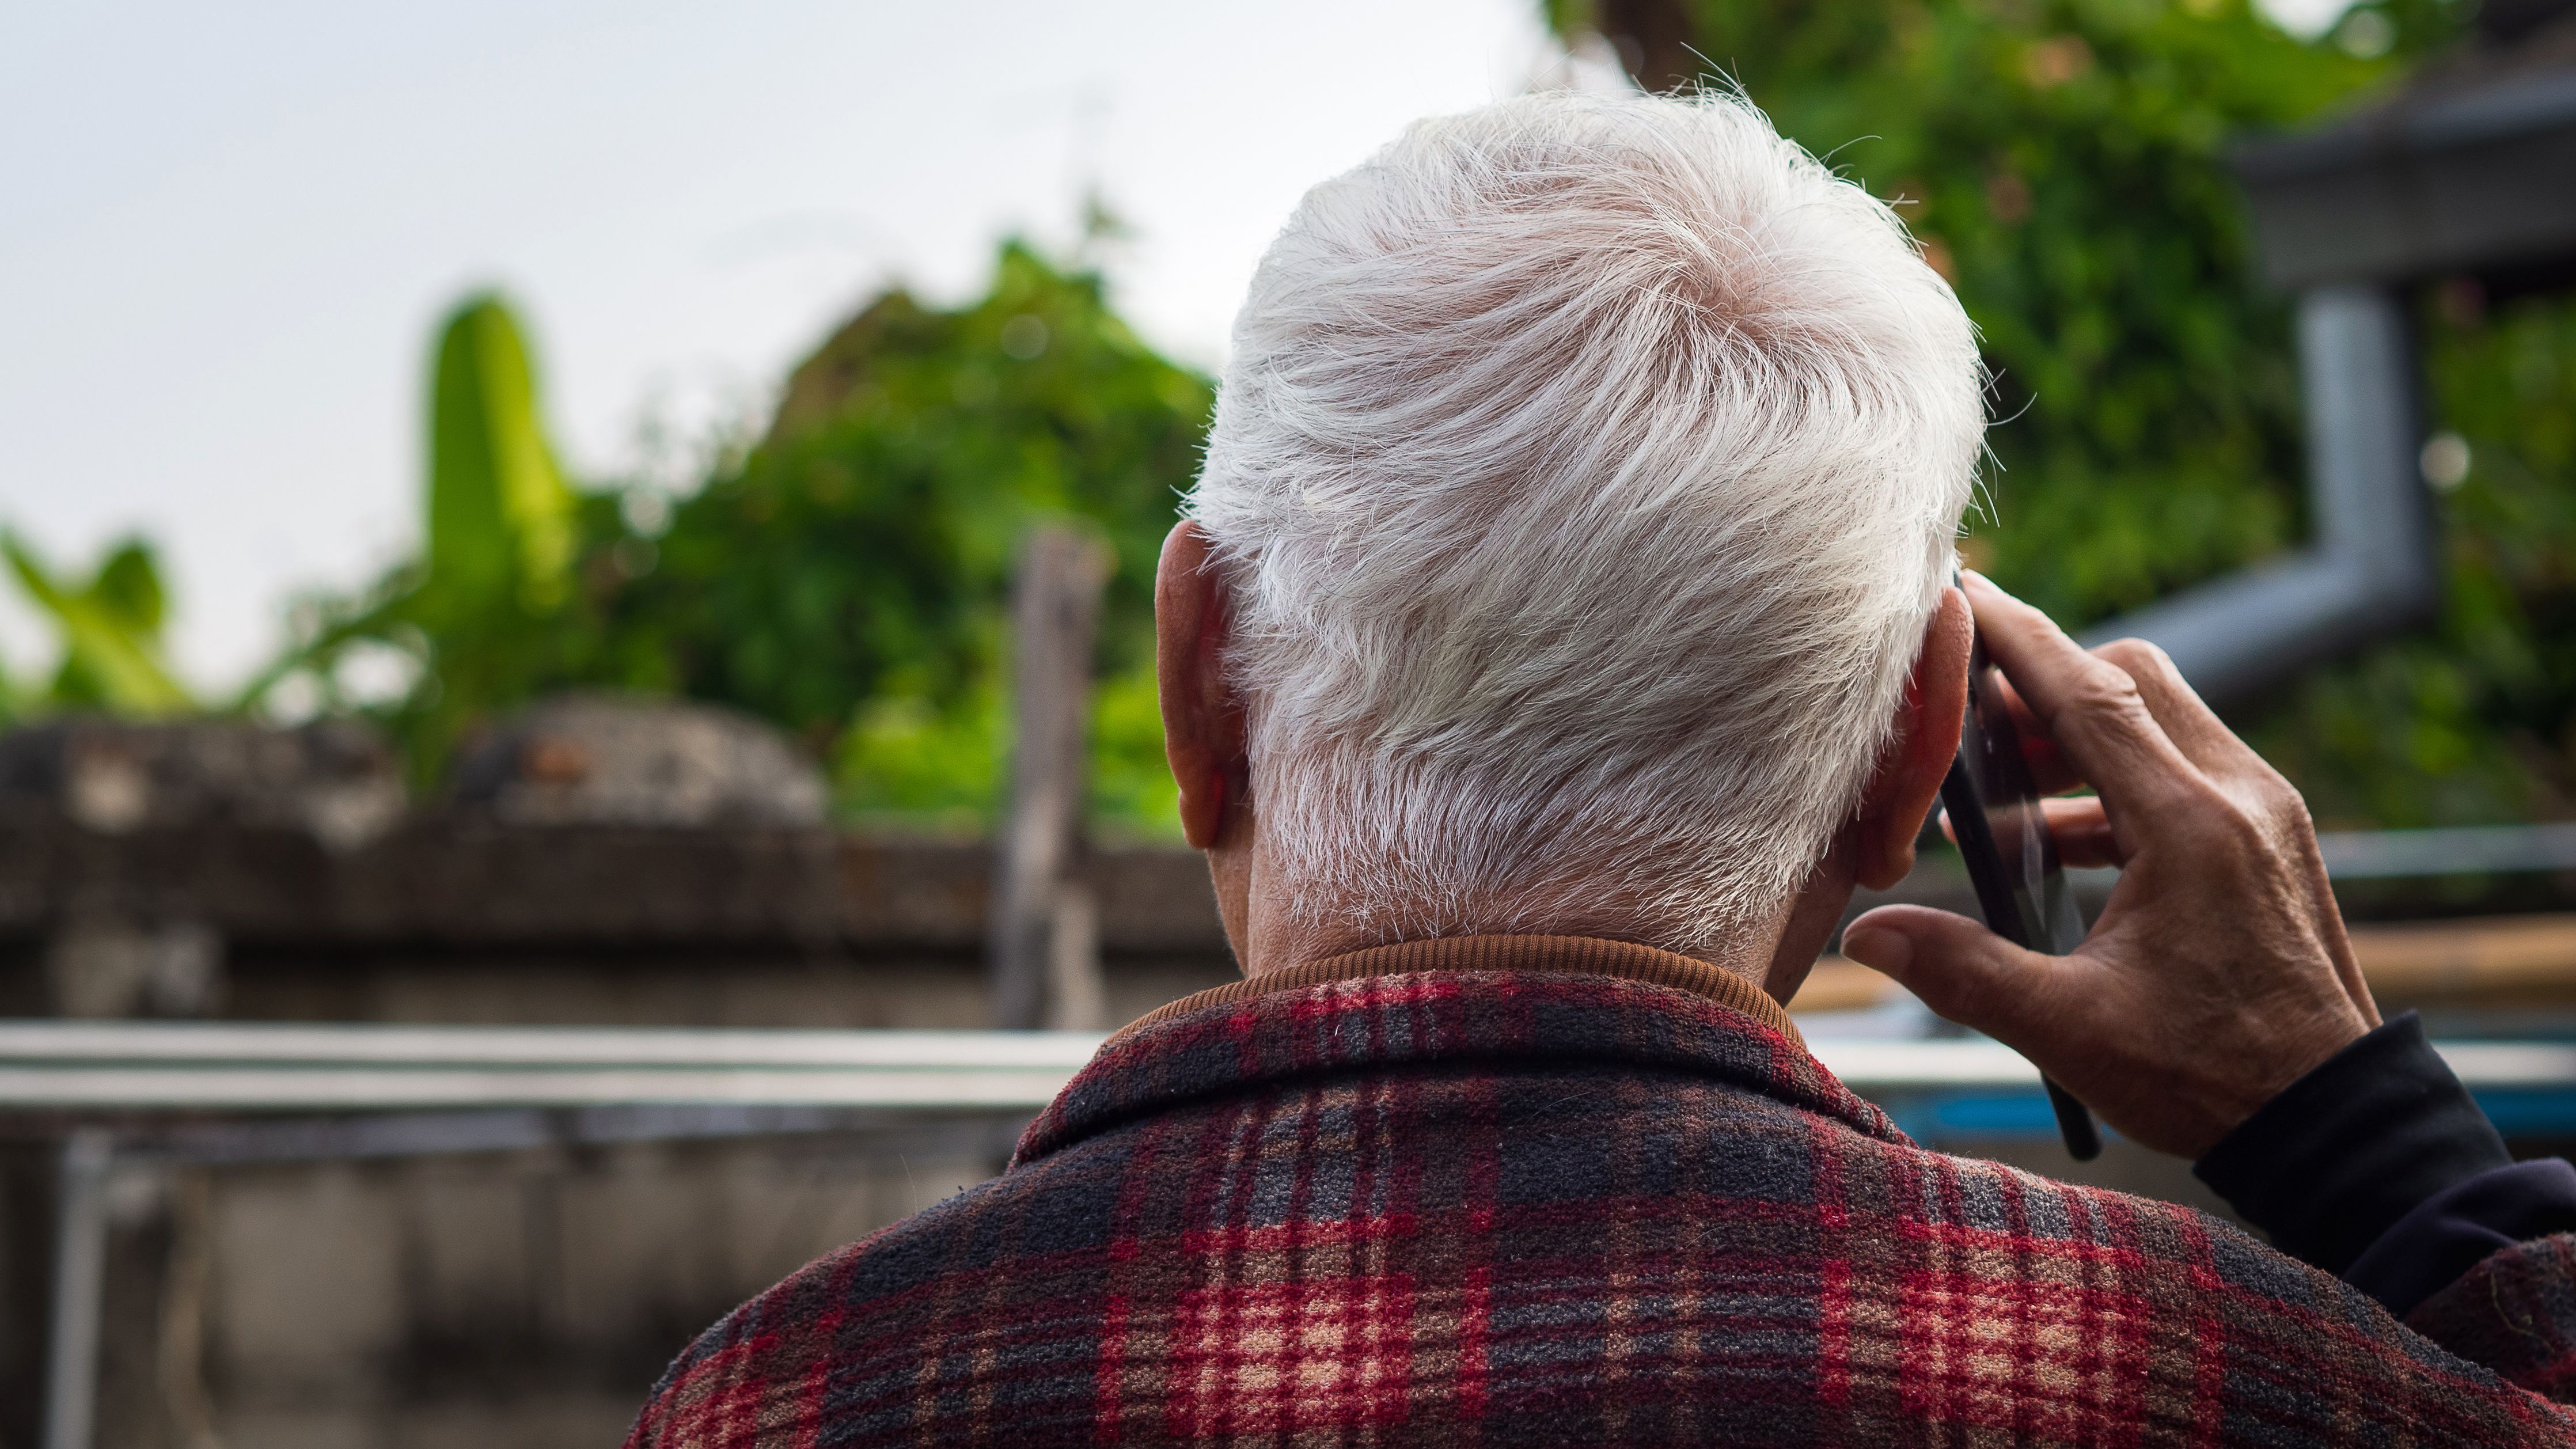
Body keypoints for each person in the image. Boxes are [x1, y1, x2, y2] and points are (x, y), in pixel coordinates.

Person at [627, 90, 2576, 1446]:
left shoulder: (777, 1399)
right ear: (1909, 756)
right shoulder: (2208, 1381)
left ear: (1195, 673)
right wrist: (2360, 1135)